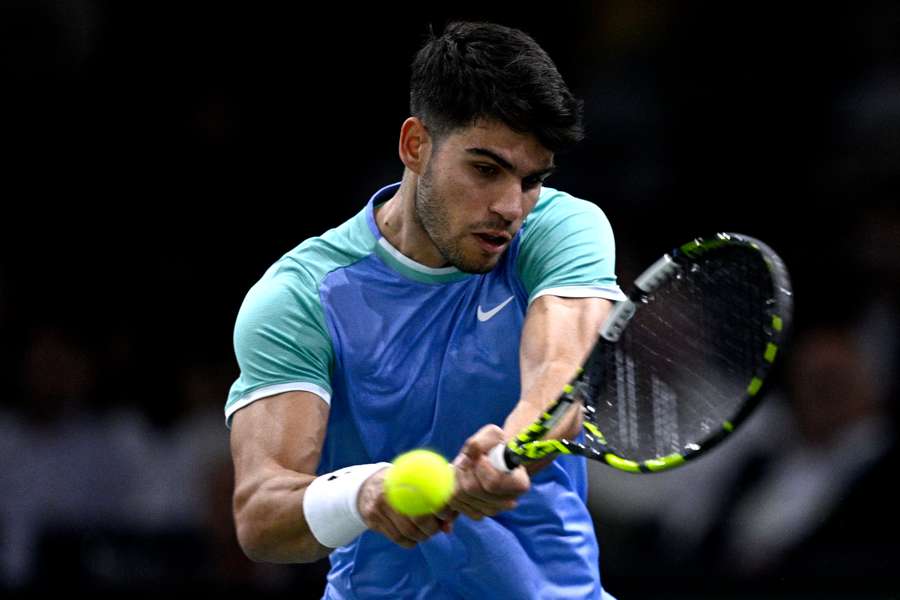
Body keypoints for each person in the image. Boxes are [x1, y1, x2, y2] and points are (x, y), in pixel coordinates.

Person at [226, 21, 625, 600]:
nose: (511, 207)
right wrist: (364, 494)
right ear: (416, 145)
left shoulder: (561, 230)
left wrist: (509, 447)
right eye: (485, 169)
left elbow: (560, 381)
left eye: (532, 180)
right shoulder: (302, 296)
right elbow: (260, 516)